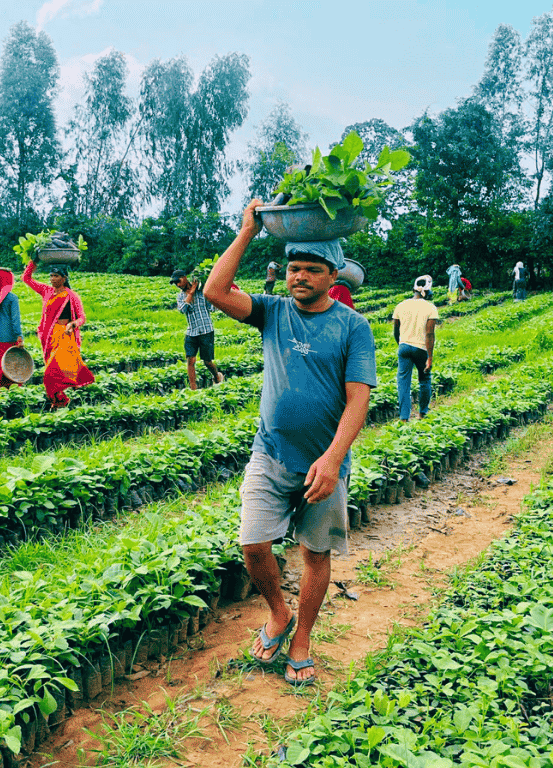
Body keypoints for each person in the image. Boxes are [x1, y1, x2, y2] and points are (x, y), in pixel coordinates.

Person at [203, 199, 377, 687]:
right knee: (254, 544)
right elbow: (215, 291)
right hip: (271, 454)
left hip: (324, 468)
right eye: (294, 268)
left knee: (315, 555)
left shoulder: (353, 327)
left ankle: (301, 638)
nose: (299, 276)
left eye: (311, 269)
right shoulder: (272, 312)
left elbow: (358, 401)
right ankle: (278, 614)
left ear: (332, 275)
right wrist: (246, 233)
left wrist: (332, 458)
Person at [22, 260, 95, 408]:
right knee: (51, 372)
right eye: (51, 276)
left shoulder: (71, 296)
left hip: (65, 336)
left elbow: (82, 317)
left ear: (64, 278)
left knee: (51, 374)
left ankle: (61, 399)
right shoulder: (46, 291)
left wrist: (72, 324)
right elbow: (26, 279)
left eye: (56, 276)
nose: (52, 279)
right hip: (49, 337)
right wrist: (34, 261)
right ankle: (59, 402)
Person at [392, 275, 440, 421]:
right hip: (421, 349)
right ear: (427, 290)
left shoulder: (401, 305)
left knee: (403, 382)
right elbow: (430, 334)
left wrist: (401, 343)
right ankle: (422, 413)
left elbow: (396, 330)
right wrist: (430, 357)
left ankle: (404, 417)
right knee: (424, 379)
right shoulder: (430, 307)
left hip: (404, 347)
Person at [171, 269, 225, 390]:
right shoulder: (180, 297)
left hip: (206, 330)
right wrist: (191, 292)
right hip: (192, 331)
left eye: (178, 281)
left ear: (185, 278)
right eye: (175, 284)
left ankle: (217, 376)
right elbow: (183, 309)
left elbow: (212, 308)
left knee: (207, 361)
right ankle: (193, 389)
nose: (178, 285)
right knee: (191, 359)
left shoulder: (202, 292)